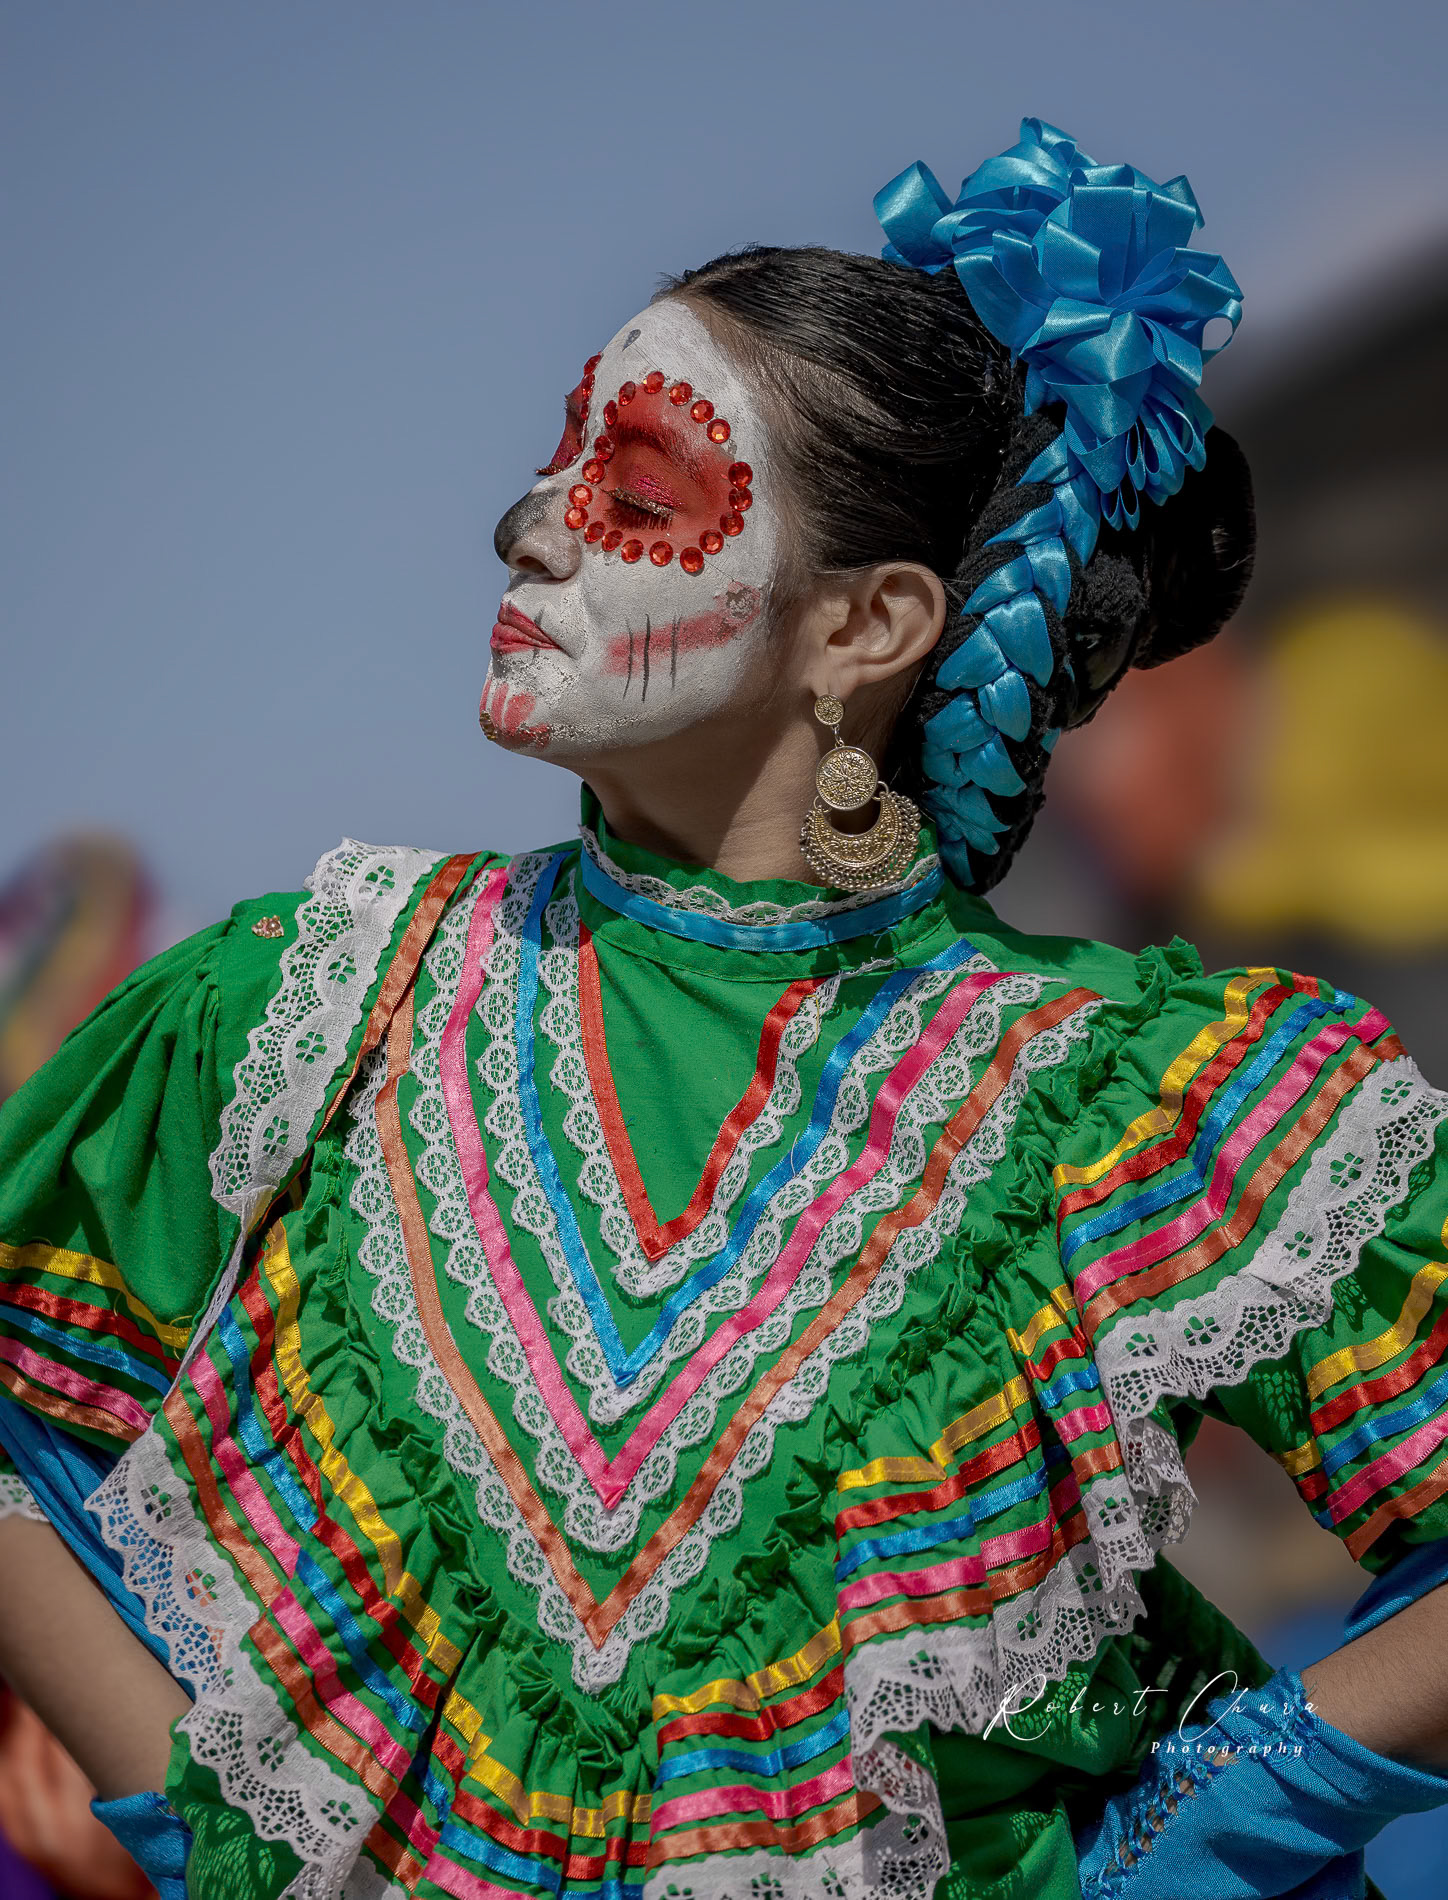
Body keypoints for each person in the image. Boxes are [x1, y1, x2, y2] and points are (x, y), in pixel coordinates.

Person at [1, 118, 1447, 1900]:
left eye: (641, 483)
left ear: (869, 628)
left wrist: (1233, 1811)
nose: (529, 523)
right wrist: (204, 1816)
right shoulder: (303, 1010)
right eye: (554, 458)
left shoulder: (1138, 1095)